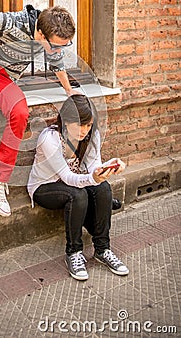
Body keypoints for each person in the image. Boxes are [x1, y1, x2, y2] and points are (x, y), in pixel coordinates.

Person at [0, 4, 78, 218]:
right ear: (40, 34)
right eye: (56, 46)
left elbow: (56, 62)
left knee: (20, 113)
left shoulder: (49, 39)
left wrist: (69, 91)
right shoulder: (13, 23)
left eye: (63, 47)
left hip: (3, 79)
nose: (58, 51)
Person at [27, 94, 129, 280]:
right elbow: (66, 178)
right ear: (66, 121)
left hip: (75, 183)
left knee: (103, 188)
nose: (84, 130)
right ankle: (74, 252)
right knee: (79, 195)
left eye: (89, 125)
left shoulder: (91, 135)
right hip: (46, 187)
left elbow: (93, 168)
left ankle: (102, 249)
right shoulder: (50, 138)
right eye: (80, 125)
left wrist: (108, 167)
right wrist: (93, 178)